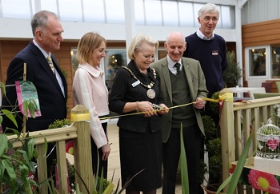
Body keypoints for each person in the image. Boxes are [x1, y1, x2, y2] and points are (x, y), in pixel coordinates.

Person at [109, 34, 168, 194]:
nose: (150, 59)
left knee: (152, 182)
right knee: (134, 182)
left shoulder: (154, 74)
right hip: (132, 136)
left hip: (153, 133)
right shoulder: (124, 73)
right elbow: (114, 103)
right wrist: (137, 105)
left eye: (152, 55)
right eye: (146, 56)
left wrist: (161, 106)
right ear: (134, 53)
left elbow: (159, 97)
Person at [150, 31, 208, 194]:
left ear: (185, 47)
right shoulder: (155, 68)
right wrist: (158, 106)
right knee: (169, 172)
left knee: (193, 170)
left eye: (180, 47)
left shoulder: (194, 64)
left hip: (192, 126)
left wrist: (201, 99)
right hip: (168, 129)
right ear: (165, 46)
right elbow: (151, 96)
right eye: (173, 47)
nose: (176, 51)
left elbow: (203, 89)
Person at [1, 10, 67, 133]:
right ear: (39, 35)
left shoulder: (51, 58)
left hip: (55, 136)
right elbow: (14, 108)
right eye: (56, 34)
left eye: (61, 33)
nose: (61, 38)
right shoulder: (24, 62)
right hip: (38, 141)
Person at [72, 32, 111, 178]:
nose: (104, 55)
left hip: (101, 129)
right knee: (97, 177)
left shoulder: (95, 72)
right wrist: (102, 142)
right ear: (88, 49)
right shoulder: (83, 74)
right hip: (92, 133)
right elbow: (89, 110)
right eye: (101, 50)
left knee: (102, 176)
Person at [183, 3, 227, 98]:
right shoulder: (187, 42)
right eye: (207, 18)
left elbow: (222, 67)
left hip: (217, 96)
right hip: (195, 97)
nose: (211, 22)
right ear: (199, 20)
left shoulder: (220, 42)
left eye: (214, 18)